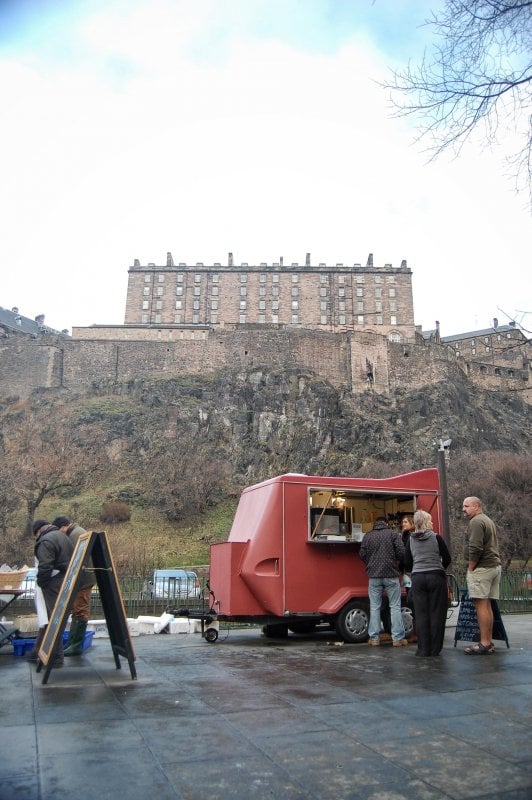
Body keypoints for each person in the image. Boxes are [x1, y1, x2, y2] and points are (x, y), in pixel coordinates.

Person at [403, 510, 451, 657]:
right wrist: (439, 567)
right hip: (436, 576)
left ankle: (423, 649)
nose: (432, 523)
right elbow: (447, 557)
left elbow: (407, 562)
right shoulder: (436, 538)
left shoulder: (410, 539)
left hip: (418, 577)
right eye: (430, 520)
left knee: (421, 614)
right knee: (437, 612)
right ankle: (435, 648)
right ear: (425, 522)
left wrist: (416, 570)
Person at [462, 496, 501, 655]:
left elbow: (476, 547)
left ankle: (484, 643)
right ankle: (489, 641)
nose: (463, 509)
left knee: (480, 605)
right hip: (493, 566)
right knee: (487, 605)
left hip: (482, 568)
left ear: (477, 506)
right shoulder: (487, 520)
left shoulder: (476, 522)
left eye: (466, 506)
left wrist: (471, 567)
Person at [360, 516, 407, 647]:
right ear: (386, 523)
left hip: (374, 576)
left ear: (375, 524)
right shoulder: (393, 534)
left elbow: (362, 554)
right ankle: (397, 638)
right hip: (391, 574)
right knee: (395, 606)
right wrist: (395, 562)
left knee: (375, 607)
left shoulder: (368, 536)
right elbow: (402, 552)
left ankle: (374, 638)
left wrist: (370, 563)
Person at [32, 519, 74, 666]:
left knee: (52, 621)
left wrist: (42, 583)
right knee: (57, 620)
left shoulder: (45, 541)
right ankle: (50, 655)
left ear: (38, 531)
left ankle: (54, 657)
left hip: (52, 584)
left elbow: (45, 567)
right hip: (64, 581)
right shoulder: (63, 537)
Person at [52, 516, 94, 656]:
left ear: (63, 526)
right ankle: (72, 643)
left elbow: (75, 558)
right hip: (82, 578)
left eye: (59, 531)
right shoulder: (76, 533)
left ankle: (75, 645)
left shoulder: (76, 535)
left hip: (83, 580)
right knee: (77, 609)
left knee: (80, 609)